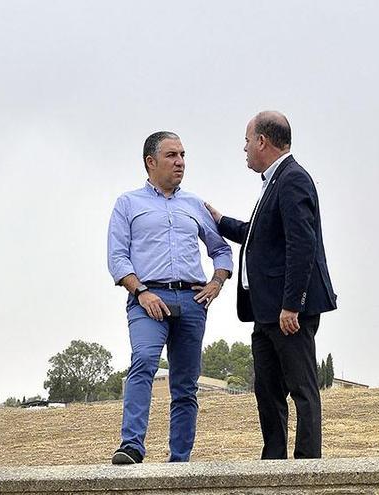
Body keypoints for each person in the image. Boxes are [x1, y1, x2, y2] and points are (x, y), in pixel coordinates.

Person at [205, 111, 337, 459]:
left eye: (247, 141)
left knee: (302, 388)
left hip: (287, 311)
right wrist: (219, 222)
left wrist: (291, 304)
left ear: (262, 141)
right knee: (267, 389)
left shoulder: (292, 179)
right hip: (265, 313)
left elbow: (301, 243)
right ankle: (273, 463)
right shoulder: (273, 183)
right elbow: (258, 236)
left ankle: (307, 468)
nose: (244, 148)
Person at [107, 131, 233, 464]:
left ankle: (180, 461)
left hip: (192, 301)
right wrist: (141, 292)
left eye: (183, 155)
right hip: (147, 298)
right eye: (172, 156)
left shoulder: (194, 204)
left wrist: (217, 282)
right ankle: (132, 445)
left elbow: (220, 249)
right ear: (151, 162)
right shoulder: (128, 204)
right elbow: (118, 258)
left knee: (185, 384)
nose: (180, 162)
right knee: (144, 362)